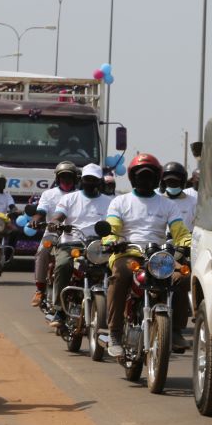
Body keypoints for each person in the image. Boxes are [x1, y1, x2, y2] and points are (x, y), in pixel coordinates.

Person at [104, 153, 192, 356]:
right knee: (120, 277)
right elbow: (112, 228)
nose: (145, 179)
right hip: (127, 253)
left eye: (150, 175)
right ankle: (114, 333)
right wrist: (112, 240)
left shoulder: (168, 204)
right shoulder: (120, 202)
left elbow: (180, 232)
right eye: (141, 175)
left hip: (158, 256)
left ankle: (176, 330)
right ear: (133, 178)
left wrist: (187, 245)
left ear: (156, 178)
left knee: (181, 276)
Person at [48, 163, 113, 327]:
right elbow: (58, 216)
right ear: (81, 180)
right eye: (87, 179)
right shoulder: (69, 198)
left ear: (100, 182)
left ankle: (118, 316)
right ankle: (59, 311)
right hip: (72, 243)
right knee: (62, 265)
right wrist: (56, 223)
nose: (90, 182)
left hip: (100, 246)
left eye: (94, 180)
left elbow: (116, 224)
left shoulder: (110, 202)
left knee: (118, 271)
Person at [30, 161, 79, 307]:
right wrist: (36, 219)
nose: (66, 180)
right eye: (63, 177)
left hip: (75, 236)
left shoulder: (79, 195)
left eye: (69, 177)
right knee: (43, 252)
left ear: (75, 179)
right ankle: (39, 289)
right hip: (53, 233)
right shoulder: (49, 194)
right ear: (57, 179)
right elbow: (41, 211)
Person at [159, 161, 198, 231]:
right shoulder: (157, 202)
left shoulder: (193, 202)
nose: (172, 184)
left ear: (182, 182)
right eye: (169, 181)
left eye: (175, 182)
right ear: (163, 183)